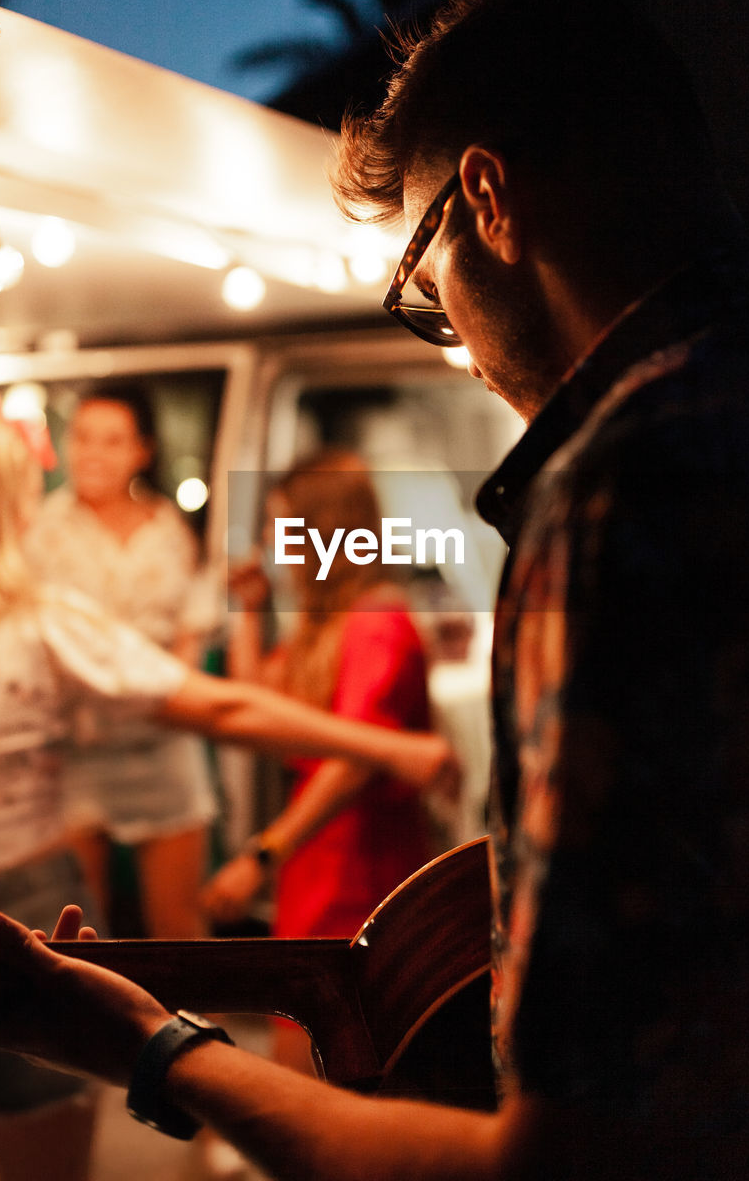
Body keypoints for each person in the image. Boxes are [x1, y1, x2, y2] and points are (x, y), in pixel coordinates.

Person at [0, 0, 749, 1180]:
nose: (448, 334)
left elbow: (581, 1157)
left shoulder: (632, 480)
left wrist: (151, 1044)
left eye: (421, 282)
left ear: (486, 197)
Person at [0, 401, 455, 1181]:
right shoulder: (39, 621)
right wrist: (392, 748)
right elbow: (226, 703)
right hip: (28, 902)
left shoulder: (71, 599)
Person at [201, 450, 434, 1074]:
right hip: (321, 857)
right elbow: (257, 711)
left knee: (316, 1053)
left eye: (285, 527)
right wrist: (249, 611)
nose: (276, 545)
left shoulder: (377, 622)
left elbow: (356, 760)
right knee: (312, 1044)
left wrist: (263, 853)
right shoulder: (326, 625)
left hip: (357, 866)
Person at [25, 383, 215, 938]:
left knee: (178, 923)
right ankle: (93, 1023)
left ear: (142, 451)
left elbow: (191, 629)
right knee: (78, 924)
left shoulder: (172, 529)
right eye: (81, 437)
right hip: (76, 746)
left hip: (164, 737)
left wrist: (175, 694)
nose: (92, 454)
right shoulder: (40, 530)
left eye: (111, 441)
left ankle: (190, 1024)